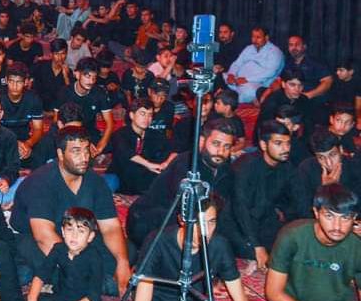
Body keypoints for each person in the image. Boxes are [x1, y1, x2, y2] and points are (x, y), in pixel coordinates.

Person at [132, 194, 281, 301]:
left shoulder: (219, 245)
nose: (206, 231)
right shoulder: (157, 241)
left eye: (211, 222)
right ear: (182, 220)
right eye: (199, 223)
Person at [11, 126, 131, 291]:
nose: (84, 157)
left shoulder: (95, 181)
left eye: (86, 150)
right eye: (76, 151)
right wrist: (77, 267)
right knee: (48, 265)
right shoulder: (40, 182)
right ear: (60, 154)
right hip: (35, 237)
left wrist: (122, 262)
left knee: (127, 250)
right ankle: (92, 283)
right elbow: (43, 236)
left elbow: (110, 227)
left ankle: (91, 279)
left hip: (76, 234)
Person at [258, 183, 361, 301]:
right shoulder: (292, 235)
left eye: (345, 218)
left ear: (354, 218)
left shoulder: (357, 247)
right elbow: (274, 293)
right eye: (329, 216)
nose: (337, 226)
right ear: (316, 213)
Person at [127, 118, 239, 247]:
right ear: (201, 142)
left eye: (226, 146)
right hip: (150, 221)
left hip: (190, 222)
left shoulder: (226, 170)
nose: (221, 152)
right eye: (216, 144)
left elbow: (225, 208)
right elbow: (185, 210)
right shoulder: (186, 164)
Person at [222, 121, 296, 269]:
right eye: (278, 143)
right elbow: (240, 208)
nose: (285, 149)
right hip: (236, 223)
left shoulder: (287, 167)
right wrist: (256, 245)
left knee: (289, 245)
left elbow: (294, 200)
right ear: (263, 145)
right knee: (251, 251)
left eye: (288, 143)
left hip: (263, 220)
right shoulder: (246, 166)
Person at [26, 207, 103, 301]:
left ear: (90, 236)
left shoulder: (94, 258)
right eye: (69, 229)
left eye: (81, 231)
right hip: (59, 299)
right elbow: (41, 274)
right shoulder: (59, 249)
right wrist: (32, 299)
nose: (74, 236)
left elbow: (93, 297)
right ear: (62, 231)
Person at [109, 97, 176, 195]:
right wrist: (148, 165)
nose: (147, 118)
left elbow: (172, 149)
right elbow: (126, 152)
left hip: (147, 174)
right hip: (124, 175)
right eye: (142, 114)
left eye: (150, 115)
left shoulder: (155, 134)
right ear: (132, 115)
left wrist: (165, 163)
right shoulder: (120, 134)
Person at [293, 128, 361, 220]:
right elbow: (303, 209)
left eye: (332, 155)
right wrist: (324, 190)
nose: (328, 163)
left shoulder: (356, 167)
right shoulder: (306, 169)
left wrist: (336, 188)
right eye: (321, 158)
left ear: (341, 150)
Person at [56, 57, 115, 155]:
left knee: (115, 143)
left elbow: (110, 123)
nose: (91, 81)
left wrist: (100, 146)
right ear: (77, 74)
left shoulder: (99, 93)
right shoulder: (65, 92)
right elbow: (56, 120)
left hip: (89, 132)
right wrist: (82, 142)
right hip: (67, 131)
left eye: (94, 77)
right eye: (87, 76)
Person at [0, 62, 47, 168]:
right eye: (11, 81)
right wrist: (13, 144)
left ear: (26, 82)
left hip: (25, 140)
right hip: (1, 139)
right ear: (6, 80)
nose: (15, 86)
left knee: (45, 146)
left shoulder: (33, 99)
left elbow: (38, 129)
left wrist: (27, 144)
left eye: (19, 82)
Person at [226, 26, 285, 104]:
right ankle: (230, 96)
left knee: (249, 92)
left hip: (258, 84)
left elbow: (270, 73)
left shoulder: (275, 52)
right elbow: (237, 63)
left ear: (266, 38)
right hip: (238, 80)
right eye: (253, 37)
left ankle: (231, 100)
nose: (255, 40)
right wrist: (231, 74)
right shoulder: (249, 48)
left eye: (258, 37)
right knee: (221, 77)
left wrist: (247, 79)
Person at [32, 39, 71, 110]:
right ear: (51, 54)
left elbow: (69, 95)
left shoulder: (68, 72)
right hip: (39, 106)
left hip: (58, 109)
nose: (60, 57)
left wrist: (66, 77)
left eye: (63, 53)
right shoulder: (40, 66)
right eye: (56, 54)